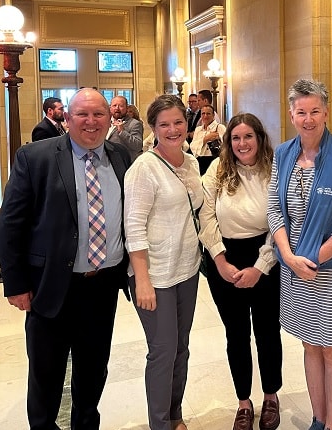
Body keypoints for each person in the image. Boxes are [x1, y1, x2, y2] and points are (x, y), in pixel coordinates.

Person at [0, 88, 132, 430]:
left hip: (102, 286)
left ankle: (86, 425)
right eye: (82, 115)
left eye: (99, 114)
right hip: (51, 286)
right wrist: (16, 283)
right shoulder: (35, 157)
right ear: (67, 119)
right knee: (46, 373)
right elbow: (11, 223)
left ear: (110, 118)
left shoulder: (121, 157)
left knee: (93, 368)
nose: (91, 122)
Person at [267, 79, 332, 430]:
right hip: (293, 268)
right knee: (310, 345)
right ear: (291, 114)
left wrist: (315, 258)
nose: (308, 119)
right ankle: (318, 417)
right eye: (301, 112)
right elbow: (274, 211)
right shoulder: (282, 154)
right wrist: (290, 256)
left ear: (326, 113)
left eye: (314, 111)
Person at [124, 94, 203, 430]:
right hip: (154, 274)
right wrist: (142, 280)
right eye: (164, 124)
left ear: (187, 124)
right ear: (153, 129)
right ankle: (159, 423)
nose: (173, 130)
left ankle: (174, 414)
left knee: (180, 348)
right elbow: (133, 226)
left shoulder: (192, 162)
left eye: (178, 122)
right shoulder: (144, 168)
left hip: (187, 270)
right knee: (162, 350)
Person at [199, 113, 282, 430]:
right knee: (236, 335)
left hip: (267, 258)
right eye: (236, 138)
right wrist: (220, 260)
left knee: (267, 332)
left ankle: (271, 395)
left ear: (259, 138)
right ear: (228, 142)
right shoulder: (217, 173)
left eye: (248, 136)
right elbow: (206, 219)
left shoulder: (274, 171)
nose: (242, 143)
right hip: (225, 259)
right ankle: (244, 402)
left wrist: (260, 267)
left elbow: (280, 223)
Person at [190, 104, 227, 175]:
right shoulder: (198, 129)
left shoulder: (220, 127)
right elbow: (192, 146)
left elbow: (227, 146)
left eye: (208, 114)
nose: (205, 116)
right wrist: (206, 139)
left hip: (214, 160)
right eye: (203, 113)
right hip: (200, 161)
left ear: (213, 115)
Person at [108, 95, 144, 160]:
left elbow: (138, 146)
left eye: (121, 106)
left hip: (124, 164)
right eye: (114, 105)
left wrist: (122, 132)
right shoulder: (105, 122)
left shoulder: (135, 124)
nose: (117, 108)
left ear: (127, 108)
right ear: (110, 107)